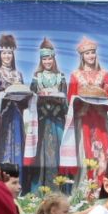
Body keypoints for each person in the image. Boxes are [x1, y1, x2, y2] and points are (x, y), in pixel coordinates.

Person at [66, 39, 108, 176]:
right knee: (85, 152)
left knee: (102, 151)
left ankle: (101, 186)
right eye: (87, 53)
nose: (91, 56)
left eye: (92, 52)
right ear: (82, 56)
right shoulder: (75, 75)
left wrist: (103, 94)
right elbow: (71, 98)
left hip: (100, 120)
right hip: (83, 119)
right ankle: (85, 188)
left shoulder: (104, 74)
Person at [0, 32, 31, 172]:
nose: (7, 56)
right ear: (0, 54)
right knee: (1, 147)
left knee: (18, 146)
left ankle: (18, 182)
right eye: (4, 53)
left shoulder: (19, 74)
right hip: (1, 116)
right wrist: (4, 93)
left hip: (16, 116)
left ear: (13, 55)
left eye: (9, 53)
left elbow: (24, 101)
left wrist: (23, 95)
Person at [28, 39, 69, 193]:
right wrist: (40, 97)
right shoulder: (36, 76)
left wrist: (58, 98)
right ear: (41, 60)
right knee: (40, 154)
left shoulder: (61, 76)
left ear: (54, 58)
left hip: (57, 120)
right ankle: (38, 190)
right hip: (42, 120)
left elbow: (65, 98)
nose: (47, 61)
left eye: (49, 58)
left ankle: (59, 189)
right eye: (44, 59)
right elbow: (30, 98)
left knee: (59, 153)